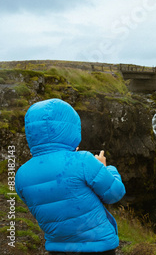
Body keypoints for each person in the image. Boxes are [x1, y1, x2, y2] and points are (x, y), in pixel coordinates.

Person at [15, 98, 126, 254]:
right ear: (71, 129)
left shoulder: (21, 175)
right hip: (98, 247)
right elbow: (115, 194)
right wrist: (105, 168)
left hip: (57, 248)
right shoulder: (83, 160)